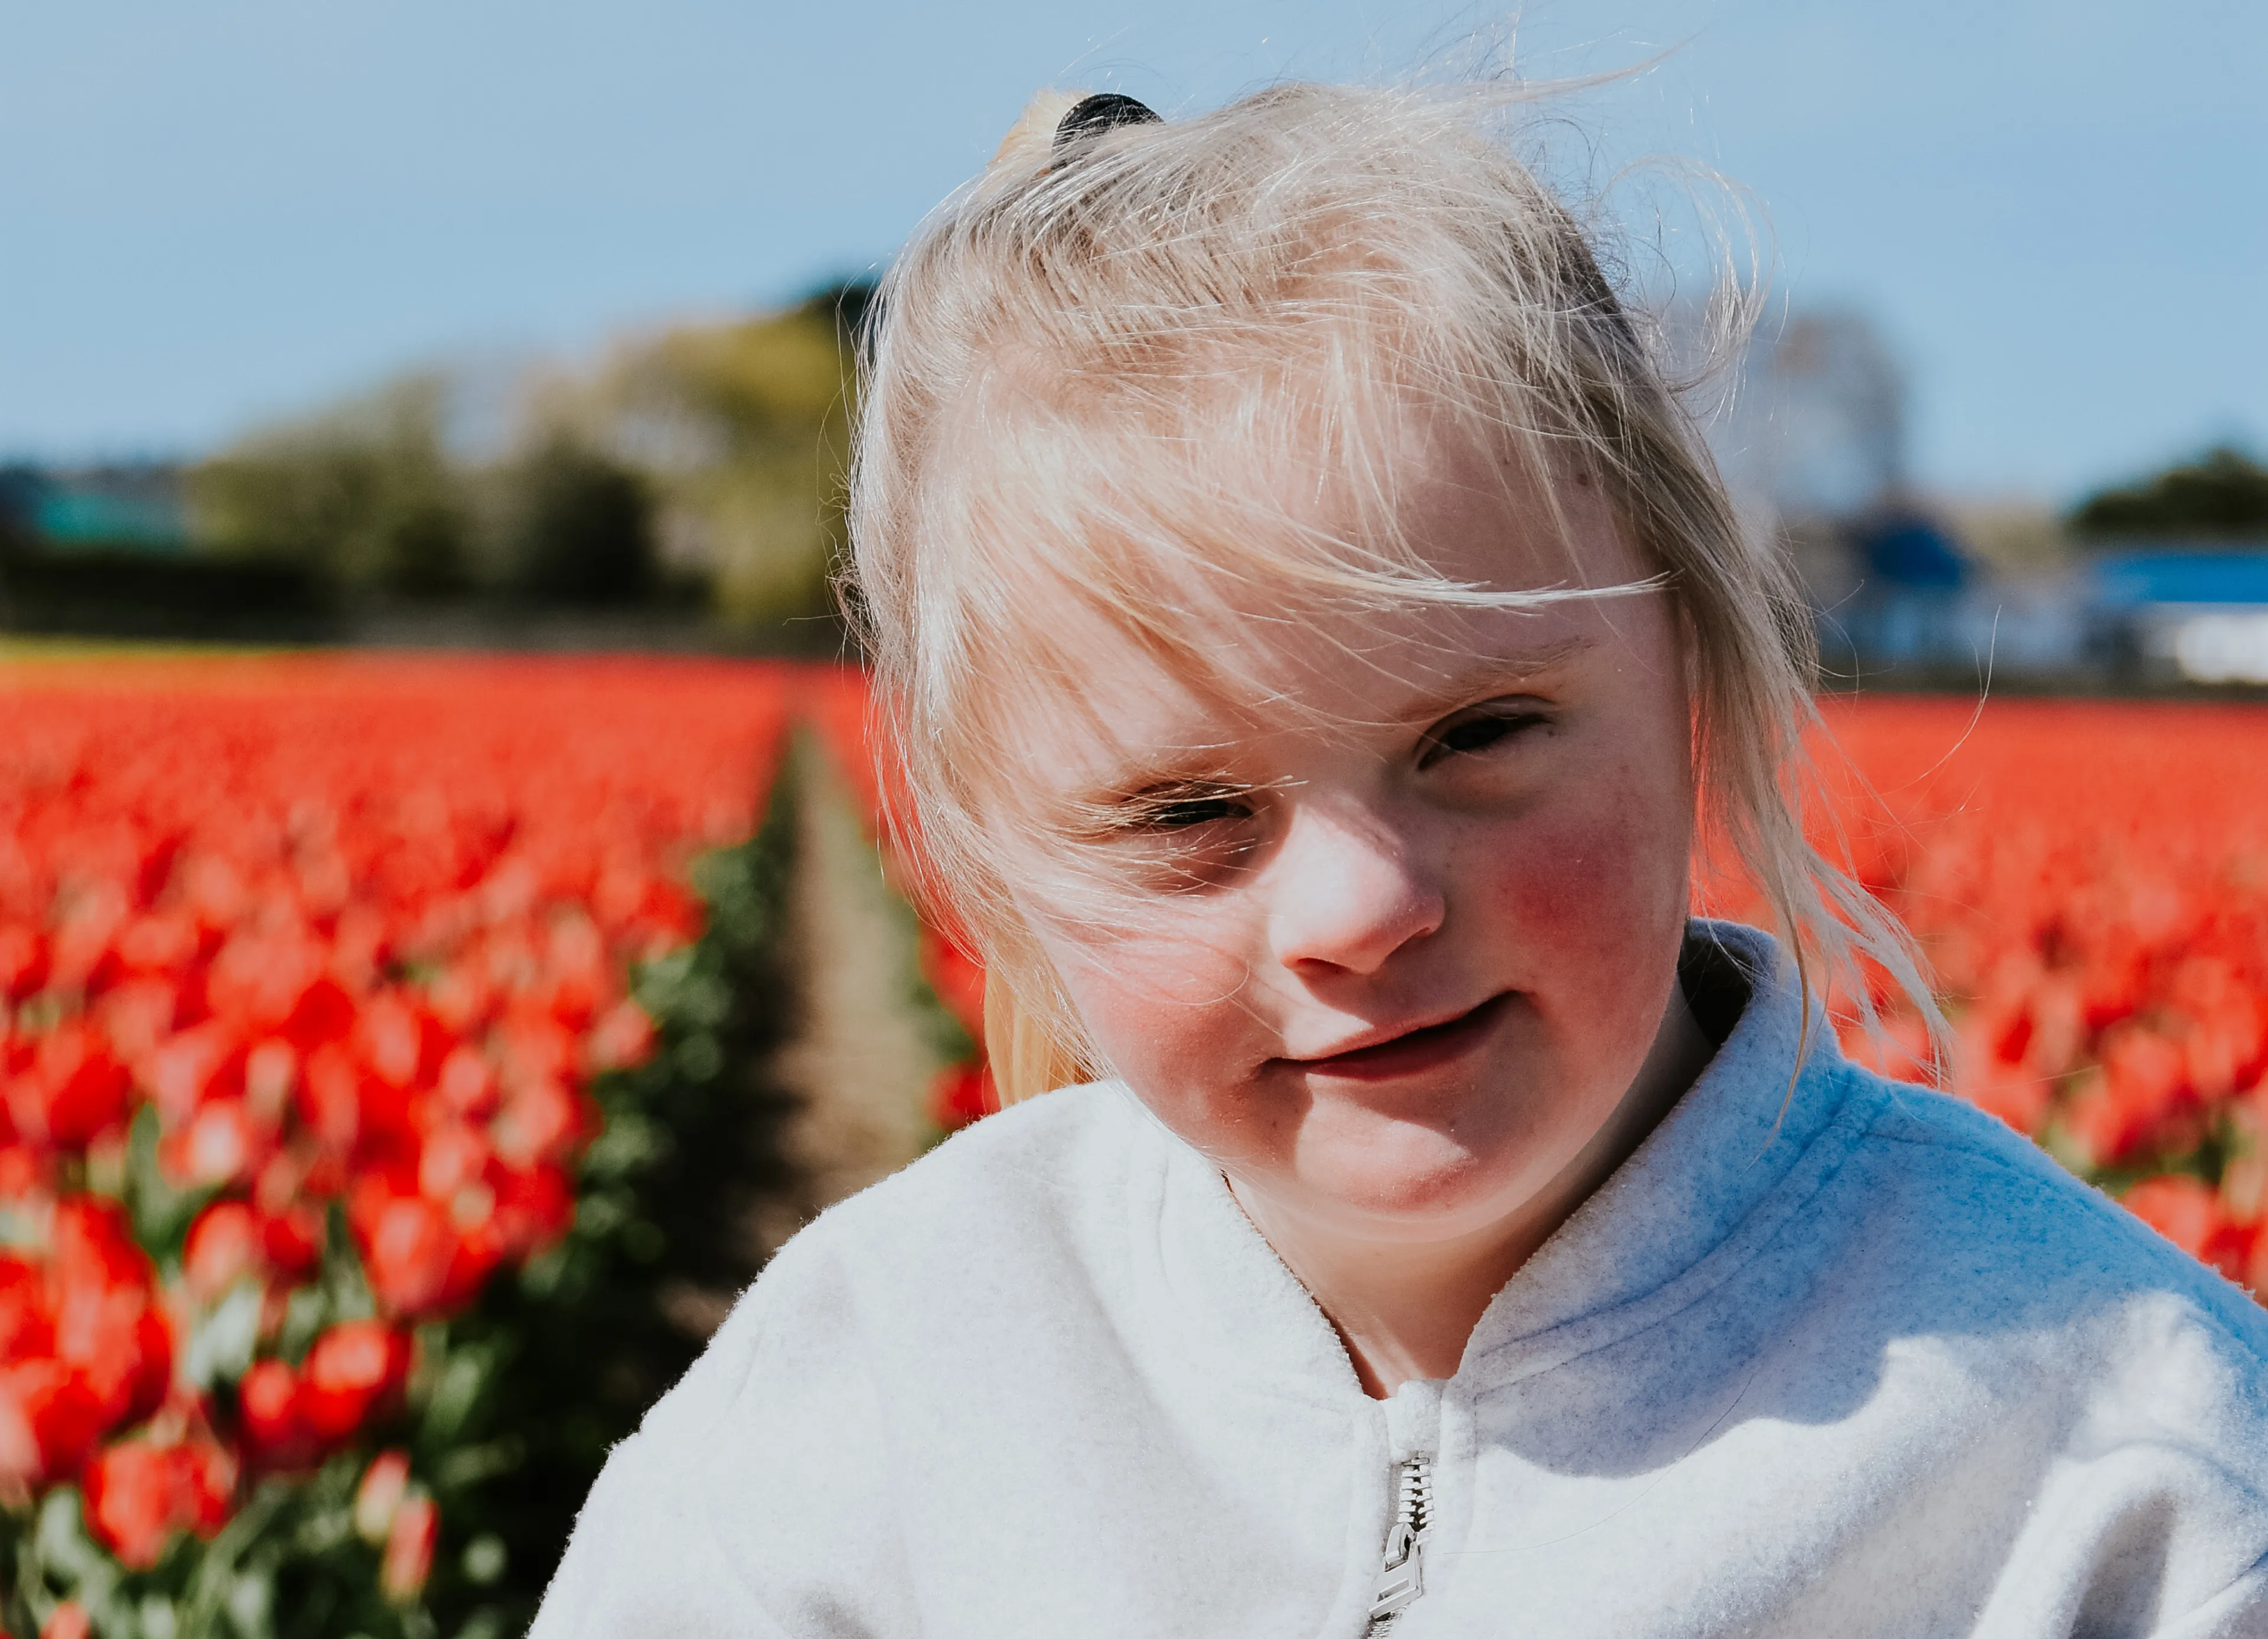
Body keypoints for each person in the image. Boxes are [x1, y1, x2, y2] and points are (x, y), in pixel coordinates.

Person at [533, 84, 2268, 1637]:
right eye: (1191, 813)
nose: (1365, 908)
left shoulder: (2109, 1448)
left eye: (1478, 734)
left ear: (1694, 664)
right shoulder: (875, 1389)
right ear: (993, 845)